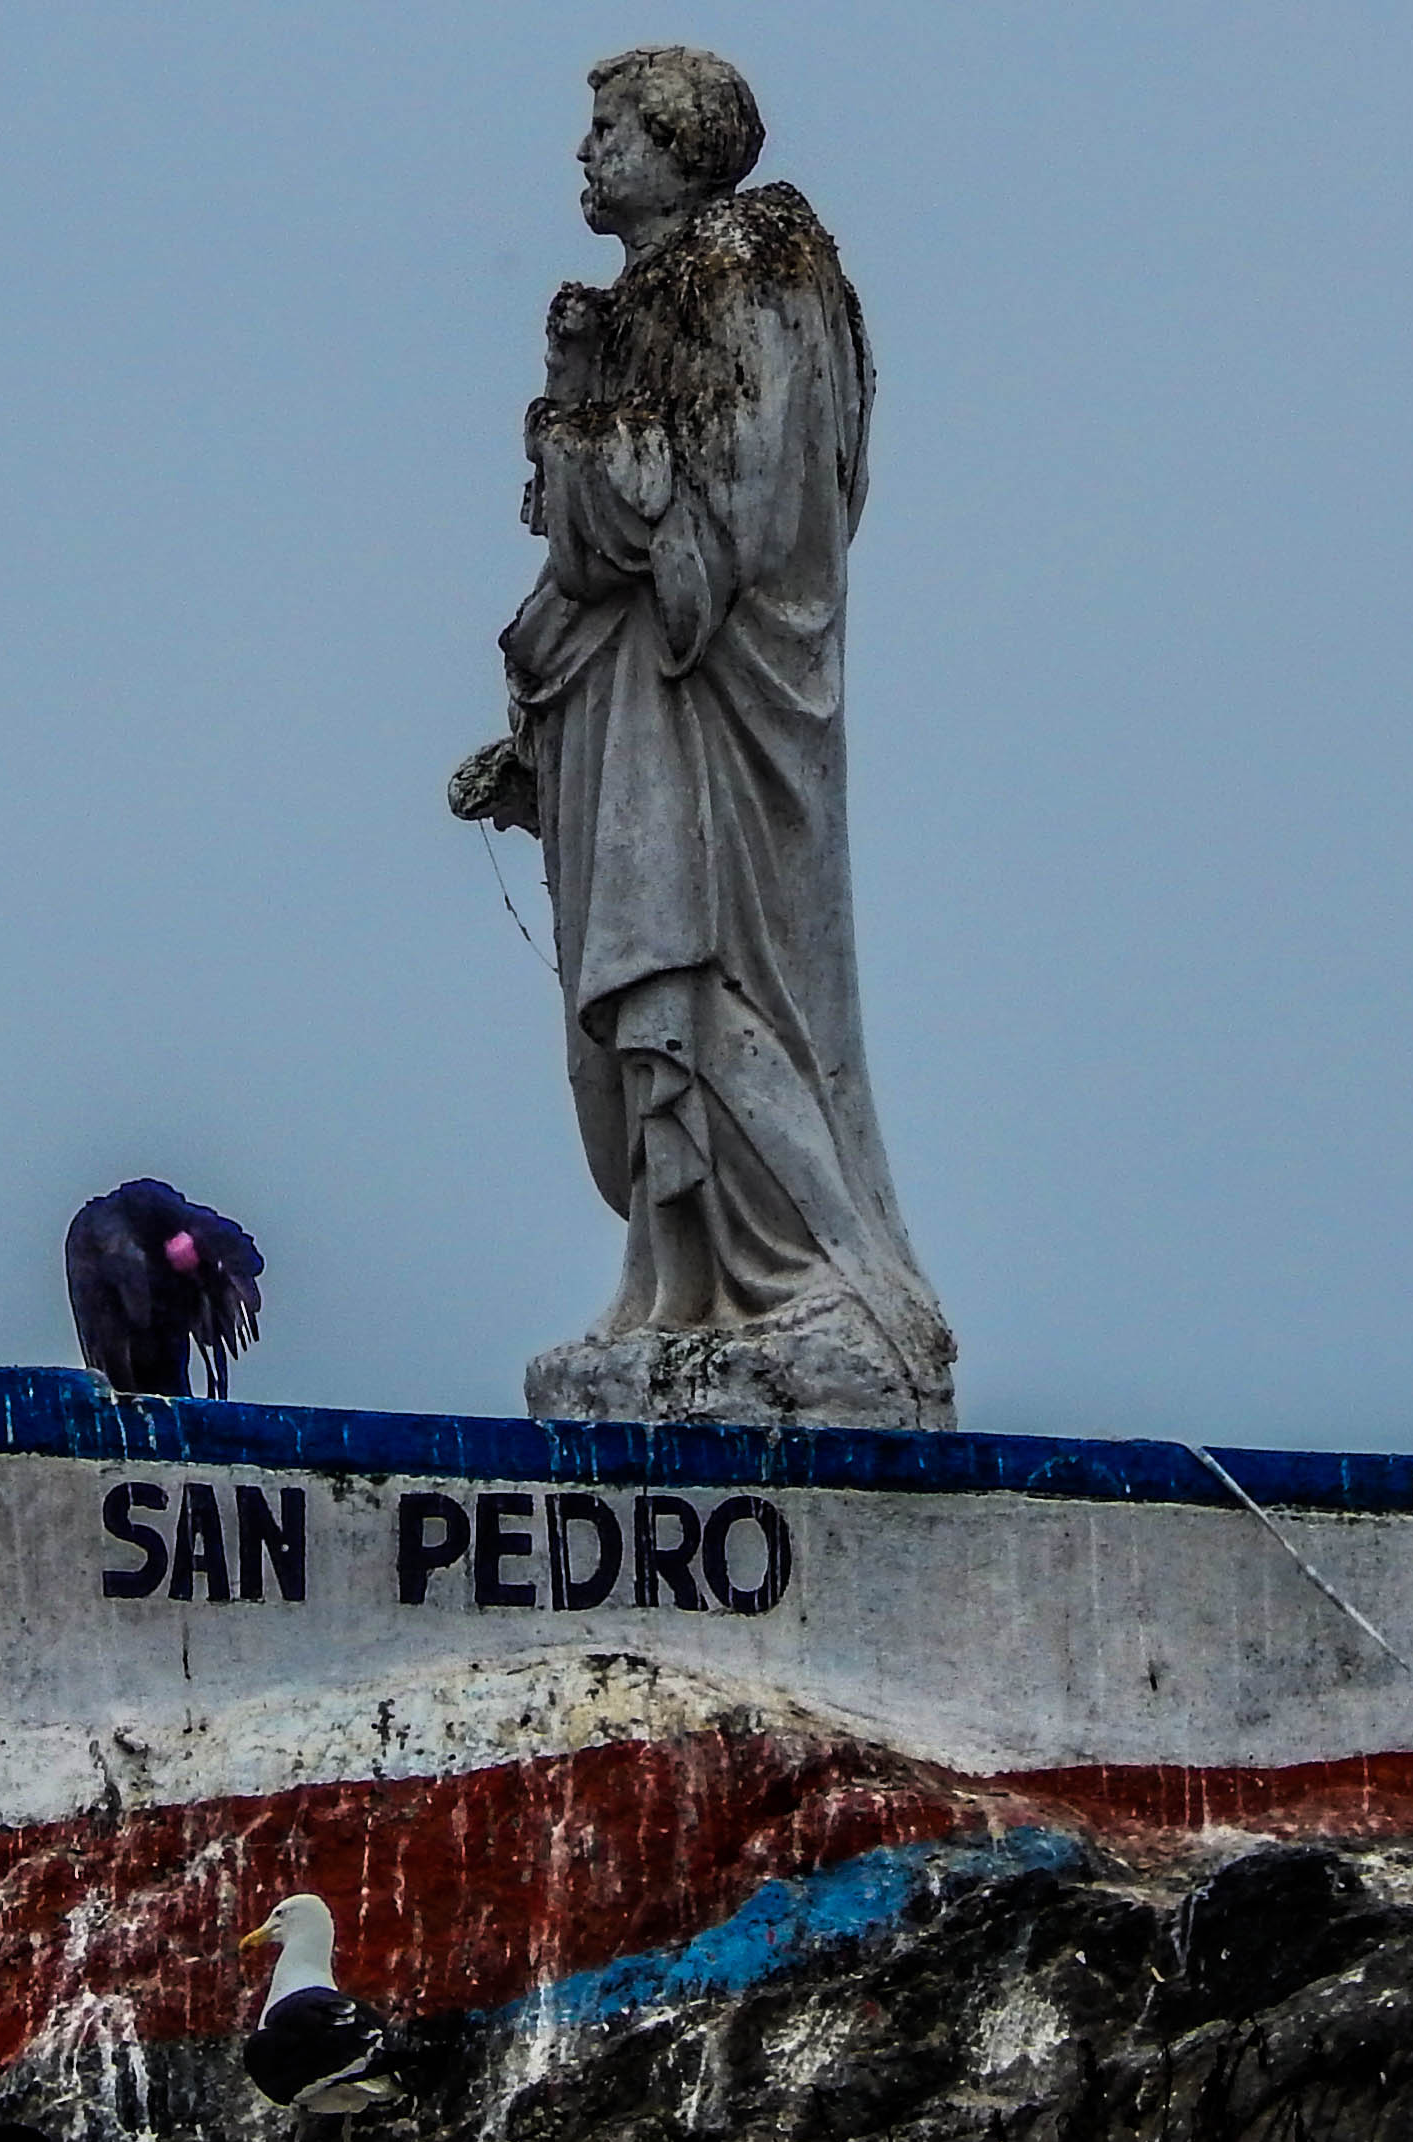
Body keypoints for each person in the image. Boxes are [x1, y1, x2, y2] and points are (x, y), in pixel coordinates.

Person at [454, 46, 955, 1428]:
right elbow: (585, 562)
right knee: (656, 989)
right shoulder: (647, 302)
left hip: (714, 702)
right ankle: (683, 1290)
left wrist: (578, 411)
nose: (587, 153)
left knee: (715, 976)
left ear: (682, 144)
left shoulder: (747, 271)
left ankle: (816, 1283)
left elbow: (708, 521)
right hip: (635, 697)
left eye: (611, 127)